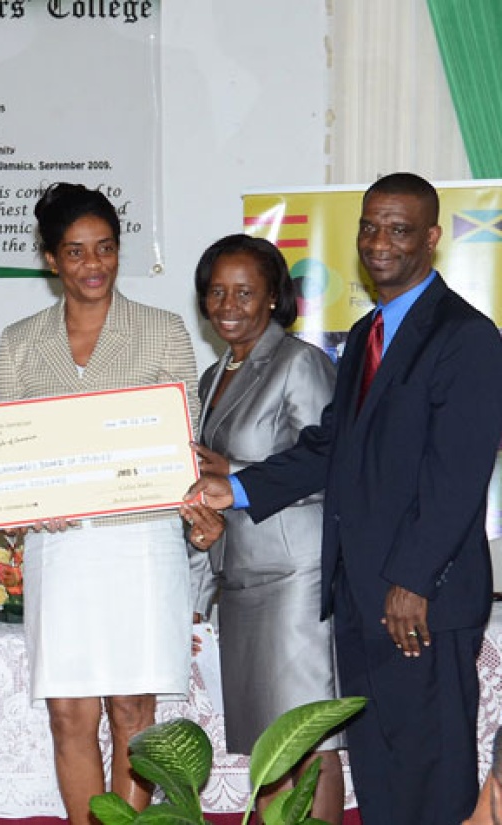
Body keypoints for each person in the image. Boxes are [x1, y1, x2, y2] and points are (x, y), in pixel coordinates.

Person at [186, 172, 502, 825]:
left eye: (399, 228)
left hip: (423, 603)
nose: (379, 242)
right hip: (358, 600)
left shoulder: (466, 337)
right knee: (382, 781)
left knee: (431, 776)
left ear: (432, 238)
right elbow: (331, 448)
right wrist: (236, 487)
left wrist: (411, 580)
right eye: (369, 226)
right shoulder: (365, 336)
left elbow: (457, 475)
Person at [0, 182, 198, 820]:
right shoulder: (20, 341)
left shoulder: (163, 332)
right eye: (76, 252)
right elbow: (9, 453)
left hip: (141, 540)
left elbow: (181, 442)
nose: (93, 265)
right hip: (60, 547)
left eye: (104, 249)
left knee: (133, 711)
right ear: (51, 259)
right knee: (69, 712)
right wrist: (32, 499)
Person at [181, 234, 343, 821]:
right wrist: (200, 589)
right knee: (268, 752)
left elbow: (331, 469)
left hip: (294, 578)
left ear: (274, 296)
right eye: (217, 292)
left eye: (245, 291)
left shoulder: (301, 363)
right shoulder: (212, 376)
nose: (229, 304)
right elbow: (211, 495)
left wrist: (237, 472)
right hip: (241, 582)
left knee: (307, 744)